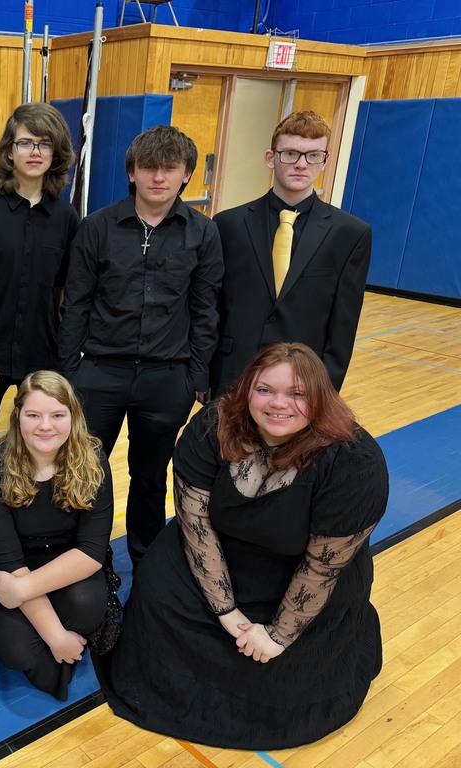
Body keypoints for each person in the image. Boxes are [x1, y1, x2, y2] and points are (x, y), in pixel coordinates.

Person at [95, 343, 388, 749]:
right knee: (158, 594)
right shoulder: (212, 425)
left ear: (320, 398)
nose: (278, 404)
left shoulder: (355, 462)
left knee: (281, 669)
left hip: (298, 572)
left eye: (297, 394)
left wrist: (278, 636)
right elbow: (194, 522)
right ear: (246, 389)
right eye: (264, 390)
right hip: (218, 552)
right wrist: (227, 612)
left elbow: (321, 568)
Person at [58, 124, 223, 568]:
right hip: (99, 372)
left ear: (186, 174)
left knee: (150, 478)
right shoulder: (97, 228)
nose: (158, 177)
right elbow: (75, 303)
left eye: (170, 169)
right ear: (132, 172)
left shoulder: (203, 233)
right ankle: (77, 558)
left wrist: (197, 375)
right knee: (84, 470)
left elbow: (205, 309)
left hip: (167, 376)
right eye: (148, 167)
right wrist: (69, 372)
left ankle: (145, 561)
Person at [0, 104, 79, 571]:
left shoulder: (66, 219)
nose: (33, 151)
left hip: (40, 353)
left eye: (43, 143)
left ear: (56, 153)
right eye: (25, 142)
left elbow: (65, 291)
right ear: (8, 150)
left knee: (36, 442)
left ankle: (29, 521)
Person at [0, 371, 114, 701]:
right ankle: (56, 643)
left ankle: (54, 638)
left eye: (57, 415)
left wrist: (21, 591)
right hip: (9, 565)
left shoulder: (95, 462)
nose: (45, 426)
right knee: (17, 652)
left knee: (88, 608)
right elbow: (9, 560)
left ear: (73, 417)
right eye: (33, 415)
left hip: (66, 558)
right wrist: (56, 637)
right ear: (17, 415)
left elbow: (92, 550)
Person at [210, 111, 371, 395]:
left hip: (302, 381)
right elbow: (212, 307)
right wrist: (205, 374)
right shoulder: (228, 224)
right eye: (290, 154)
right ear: (271, 158)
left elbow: (343, 325)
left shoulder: (349, 233)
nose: (300, 164)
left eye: (312, 155)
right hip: (232, 373)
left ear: (325, 160)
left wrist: (326, 391)